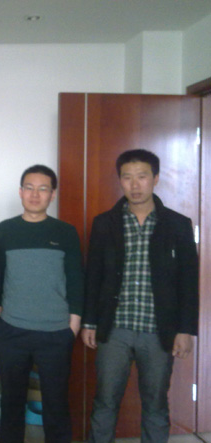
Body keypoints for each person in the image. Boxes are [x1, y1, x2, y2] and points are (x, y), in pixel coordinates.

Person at [81, 149, 198, 443]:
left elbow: (188, 282)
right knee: (105, 401)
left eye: (142, 177)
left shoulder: (177, 224)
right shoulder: (105, 223)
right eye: (127, 177)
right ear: (120, 180)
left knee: (156, 404)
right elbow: (93, 276)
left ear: (155, 179)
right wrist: (89, 322)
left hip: (159, 330)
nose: (135, 185)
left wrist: (186, 330)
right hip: (114, 329)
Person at [0, 164, 84, 443]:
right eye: (29, 188)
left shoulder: (65, 232)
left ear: (52, 195)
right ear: (20, 192)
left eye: (43, 189)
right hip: (12, 330)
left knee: (56, 403)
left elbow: (76, 278)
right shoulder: (4, 230)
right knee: (11, 401)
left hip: (56, 332)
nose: (35, 195)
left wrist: (73, 325)